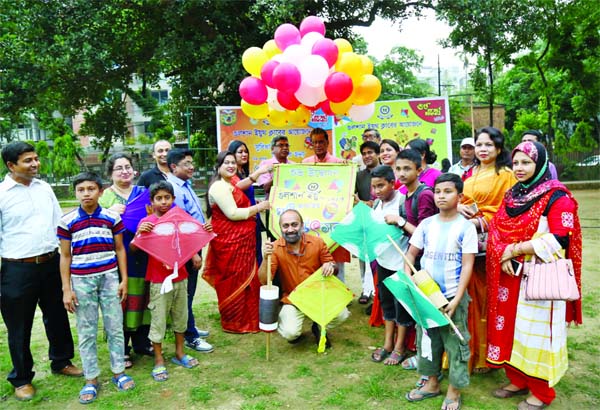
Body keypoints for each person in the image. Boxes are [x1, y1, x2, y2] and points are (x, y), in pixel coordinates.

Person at [487, 141, 582, 410]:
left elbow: (560, 238)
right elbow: (496, 229)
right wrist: (503, 252)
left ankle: (541, 393)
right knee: (511, 331)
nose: (519, 168)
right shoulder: (512, 196)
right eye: (515, 162)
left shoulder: (557, 197)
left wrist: (513, 250)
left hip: (540, 278)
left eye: (526, 162)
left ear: (540, 164)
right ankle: (517, 380)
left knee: (536, 334)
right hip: (510, 274)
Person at [0, 141, 82, 401]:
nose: (35, 164)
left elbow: (60, 223)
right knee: (19, 325)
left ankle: (61, 360)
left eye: (36, 159)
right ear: (11, 165)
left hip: (51, 263)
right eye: (28, 160)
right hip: (17, 268)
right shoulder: (2, 193)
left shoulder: (44, 188)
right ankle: (21, 378)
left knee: (57, 315)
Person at [58, 172, 134, 404]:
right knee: (86, 330)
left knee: (115, 327)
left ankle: (119, 372)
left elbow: (120, 249)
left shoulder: (112, 218)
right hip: (82, 282)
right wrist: (66, 289)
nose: (86, 193)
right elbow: (65, 256)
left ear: (100, 191)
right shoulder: (67, 221)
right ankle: (91, 379)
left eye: (91, 189)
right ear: (76, 193)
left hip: (109, 278)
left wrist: (124, 279)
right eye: (81, 190)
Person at [404, 173, 477, 410]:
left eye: (448, 191)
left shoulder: (466, 228)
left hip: (452, 297)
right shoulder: (426, 225)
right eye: (437, 192)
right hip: (426, 297)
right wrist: (409, 279)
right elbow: (411, 255)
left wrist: (456, 299)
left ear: (460, 195)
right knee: (428, 341)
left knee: (456, 344)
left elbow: (467, 265)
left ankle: (454, 391)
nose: (441, 196)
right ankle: (432, 383)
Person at [457, 126, 516, 373]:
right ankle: (473, 351)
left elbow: (510, 210)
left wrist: (481, 221)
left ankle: (489, 355)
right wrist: (459, 208)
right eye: (479, 144)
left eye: (488, 145)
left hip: (494, 243)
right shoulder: (469, 177)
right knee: (470, 298)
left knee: (489, 298)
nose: (482, 149)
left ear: (499, 148)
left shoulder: (507, 176)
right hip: (469, 243)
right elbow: (464, 202)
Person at [131, 181, 199, 381]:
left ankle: (180, 353)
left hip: (181, 277)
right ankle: (159, 359)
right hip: (159, 280)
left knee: (181, 317)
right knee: (158, 319)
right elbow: (134, 249)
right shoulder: (147, 222)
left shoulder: (180, 218)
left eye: (167, 198)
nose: (163, 202)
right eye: (158, 198)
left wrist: (195, 254)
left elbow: (189, 239)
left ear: (173, 199)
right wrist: (139, 233)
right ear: (151, 203)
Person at [258, 209, 350, 347]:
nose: (290, 229)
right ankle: (293, 322)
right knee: (290, 333)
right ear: (280, 228)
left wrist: (330, 265)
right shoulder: (275, 248)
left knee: (343, 314)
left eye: (294, 224)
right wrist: (265, 259)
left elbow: (333, 267)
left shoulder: (317, 242)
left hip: (318, 296)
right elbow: (265, 281)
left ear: (302, 225)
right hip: (292, 299)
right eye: (286, 225)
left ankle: (318, 327)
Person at [202, 151, 270, 333]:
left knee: (248, 279)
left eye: (233, 162)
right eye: (226, 163)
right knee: (233, 279)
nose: (231, 166)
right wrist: (259, 207)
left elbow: (244, 185)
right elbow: (232, 213)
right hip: (229, 241)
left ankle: (249, 319)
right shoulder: (218, 187)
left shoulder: (230, 182)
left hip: (242, 241)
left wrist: (261, 172)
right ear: (218, 166)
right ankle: (234, 322)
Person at [99, 153, 152, 368]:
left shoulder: (143, 193)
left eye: (128, 166)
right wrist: (109, 213)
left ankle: (142, 341)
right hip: (118, 255)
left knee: (144, 297)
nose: (124, 171)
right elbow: (95, 223)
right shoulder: (104, 198)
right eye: (119, 168)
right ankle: (121, 349)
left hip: (144, 252)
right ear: (110, 173)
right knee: (121, 300)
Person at [166, 149, 213, 352]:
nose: (191, 167)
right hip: (186, 249)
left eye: (192, 163)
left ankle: (188, 326)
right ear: (174, 167)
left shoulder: (185, 184)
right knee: (185, 293)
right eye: (186, 163)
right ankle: (190, 336)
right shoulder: (173, 189)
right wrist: (193, 252)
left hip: (195, 244)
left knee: (190, 292)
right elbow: (179, 224)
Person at [368, 165, 414, 366]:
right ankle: (387, 343)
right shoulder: (376, 205)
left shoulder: (404, 202)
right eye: (374, 187)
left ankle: (400, 346)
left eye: (381, 186)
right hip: (383, 262)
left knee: (402, 306)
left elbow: (415, 232)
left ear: (392, 183)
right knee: (386, 304)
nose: (377, 191)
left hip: (402, 263)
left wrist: (399, 221)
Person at [302, 128, 350, 283]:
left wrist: (345, 170)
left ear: (327, 142)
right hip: (313, 220)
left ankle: (341, 297)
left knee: (337, 260)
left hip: (334, 219)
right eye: (314, 142)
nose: (318, 145)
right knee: (313, 257)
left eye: (321, 142)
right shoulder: (305, 164)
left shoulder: (339, 164)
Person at [227, 140, 272, 266]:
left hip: (254, 222)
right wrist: (257, 173)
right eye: (240, 152)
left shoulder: (246, 173)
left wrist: (260, 198)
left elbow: (255, 190)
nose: (244, 154)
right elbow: (237, 187)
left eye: (246, 151)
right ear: (232, 155)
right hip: (241, 223)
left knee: (256, 254)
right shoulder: (230, 175)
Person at [354, 140, 380, 303]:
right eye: (364, 154)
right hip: (364, 221)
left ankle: (377, 291)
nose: (367, 156)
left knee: (378, 256)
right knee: (363, 257)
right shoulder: (359, 175)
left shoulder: (386, 172)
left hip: (382, 221)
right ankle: (366, 290)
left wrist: (366, 203)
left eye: (370, 152)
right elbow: (353, 196)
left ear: (377, 154)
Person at [257, 135, 294, 241]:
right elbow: (265, 188)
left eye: (287, 145)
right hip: (273, 209)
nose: (285, 148)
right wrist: (281, 174)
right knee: (275, 241)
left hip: (291, 208)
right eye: (281, 145)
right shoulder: (265, 165)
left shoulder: (293, 165)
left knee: (292, 240)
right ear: (272, 149)